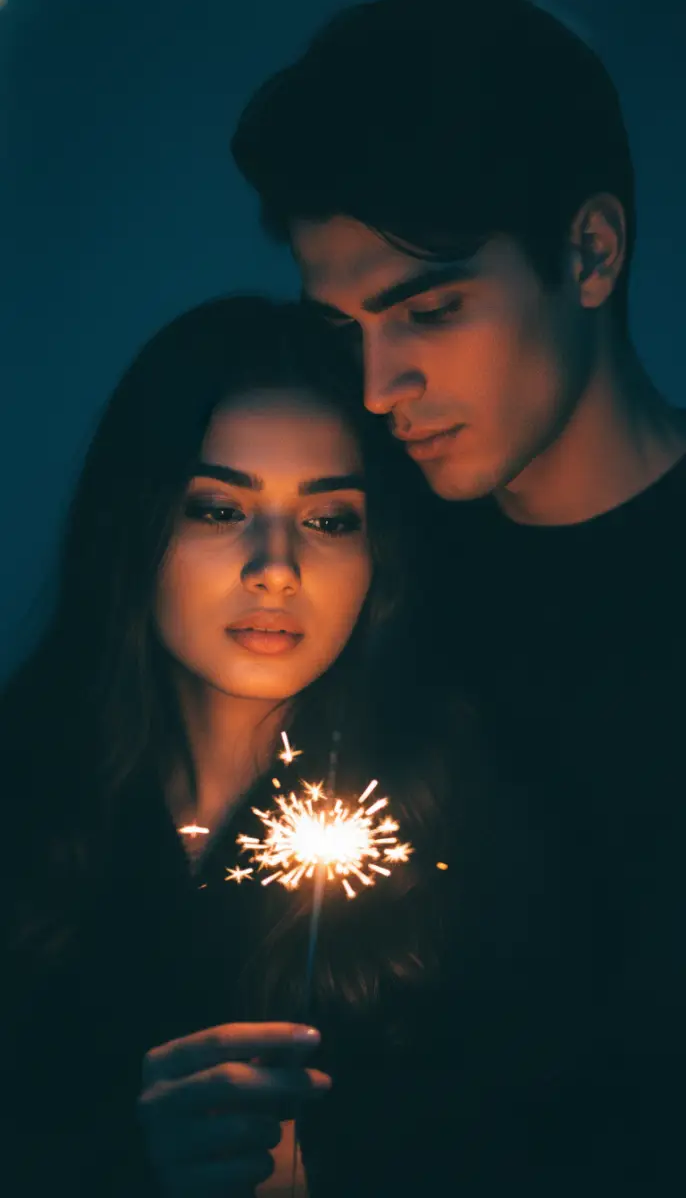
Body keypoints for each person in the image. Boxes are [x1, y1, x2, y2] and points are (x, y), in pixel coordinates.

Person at [231, 0, 686, 1192]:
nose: (380, 387)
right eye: (346, 333)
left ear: (588, 252)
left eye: (429, 309)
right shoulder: (359, 569)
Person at [2, 295, 475, 1197]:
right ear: (135, 526)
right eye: (219, 510)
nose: (275, 566)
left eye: (330, 519)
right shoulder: (22, 797)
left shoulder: (456, 831)